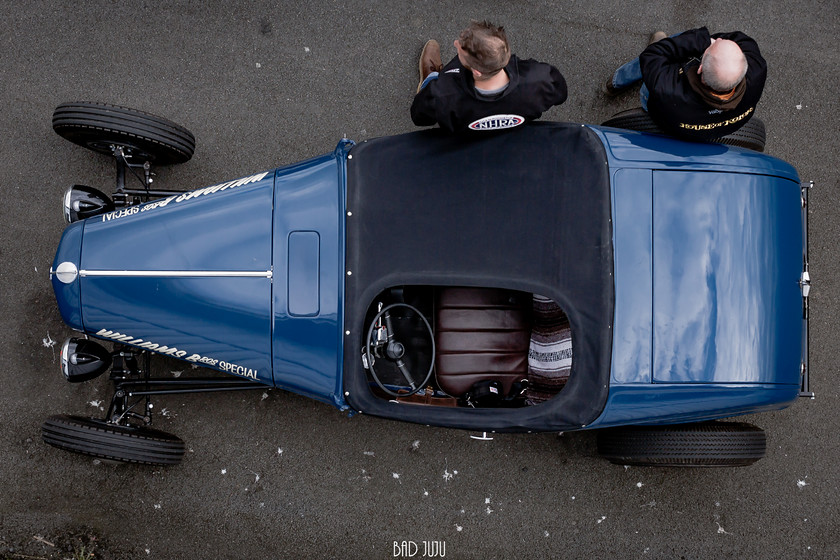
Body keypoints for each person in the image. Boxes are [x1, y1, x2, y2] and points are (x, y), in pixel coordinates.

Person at [606, 27, 767, 141]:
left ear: (701, 68)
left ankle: (616, 83)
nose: (718, 39)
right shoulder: (757, 72)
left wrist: (702, 41)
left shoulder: (668, 89)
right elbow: (744, 40)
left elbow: (650, 57)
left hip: (661, 111)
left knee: (671, 47)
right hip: (700, 130)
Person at [411, 21, 568, 134]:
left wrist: (433, 89)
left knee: (434, 82)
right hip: (512, 135)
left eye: (461, 49)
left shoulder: (443, 94)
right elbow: (561, 96)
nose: (455, 44)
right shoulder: (541, 79)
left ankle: (430, 76)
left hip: (462, 138)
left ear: (476, 72)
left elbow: (419, 117)